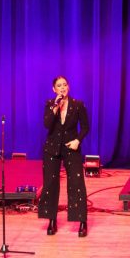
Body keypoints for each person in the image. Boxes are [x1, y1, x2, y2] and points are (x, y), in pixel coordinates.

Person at [38, 76, 89, 237]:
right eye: (59, 85)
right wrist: (55, 106)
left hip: (70, 147)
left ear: (69, 87)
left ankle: (82, 221)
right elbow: (47, 124)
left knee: (76, 182)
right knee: (50, 184)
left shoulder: (78, 105)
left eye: (65, 84)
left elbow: (86, 127)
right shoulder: (49, 104)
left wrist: (77, 141)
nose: (62, 88)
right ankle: (51, 220)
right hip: (52, 148)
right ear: (54, 89)